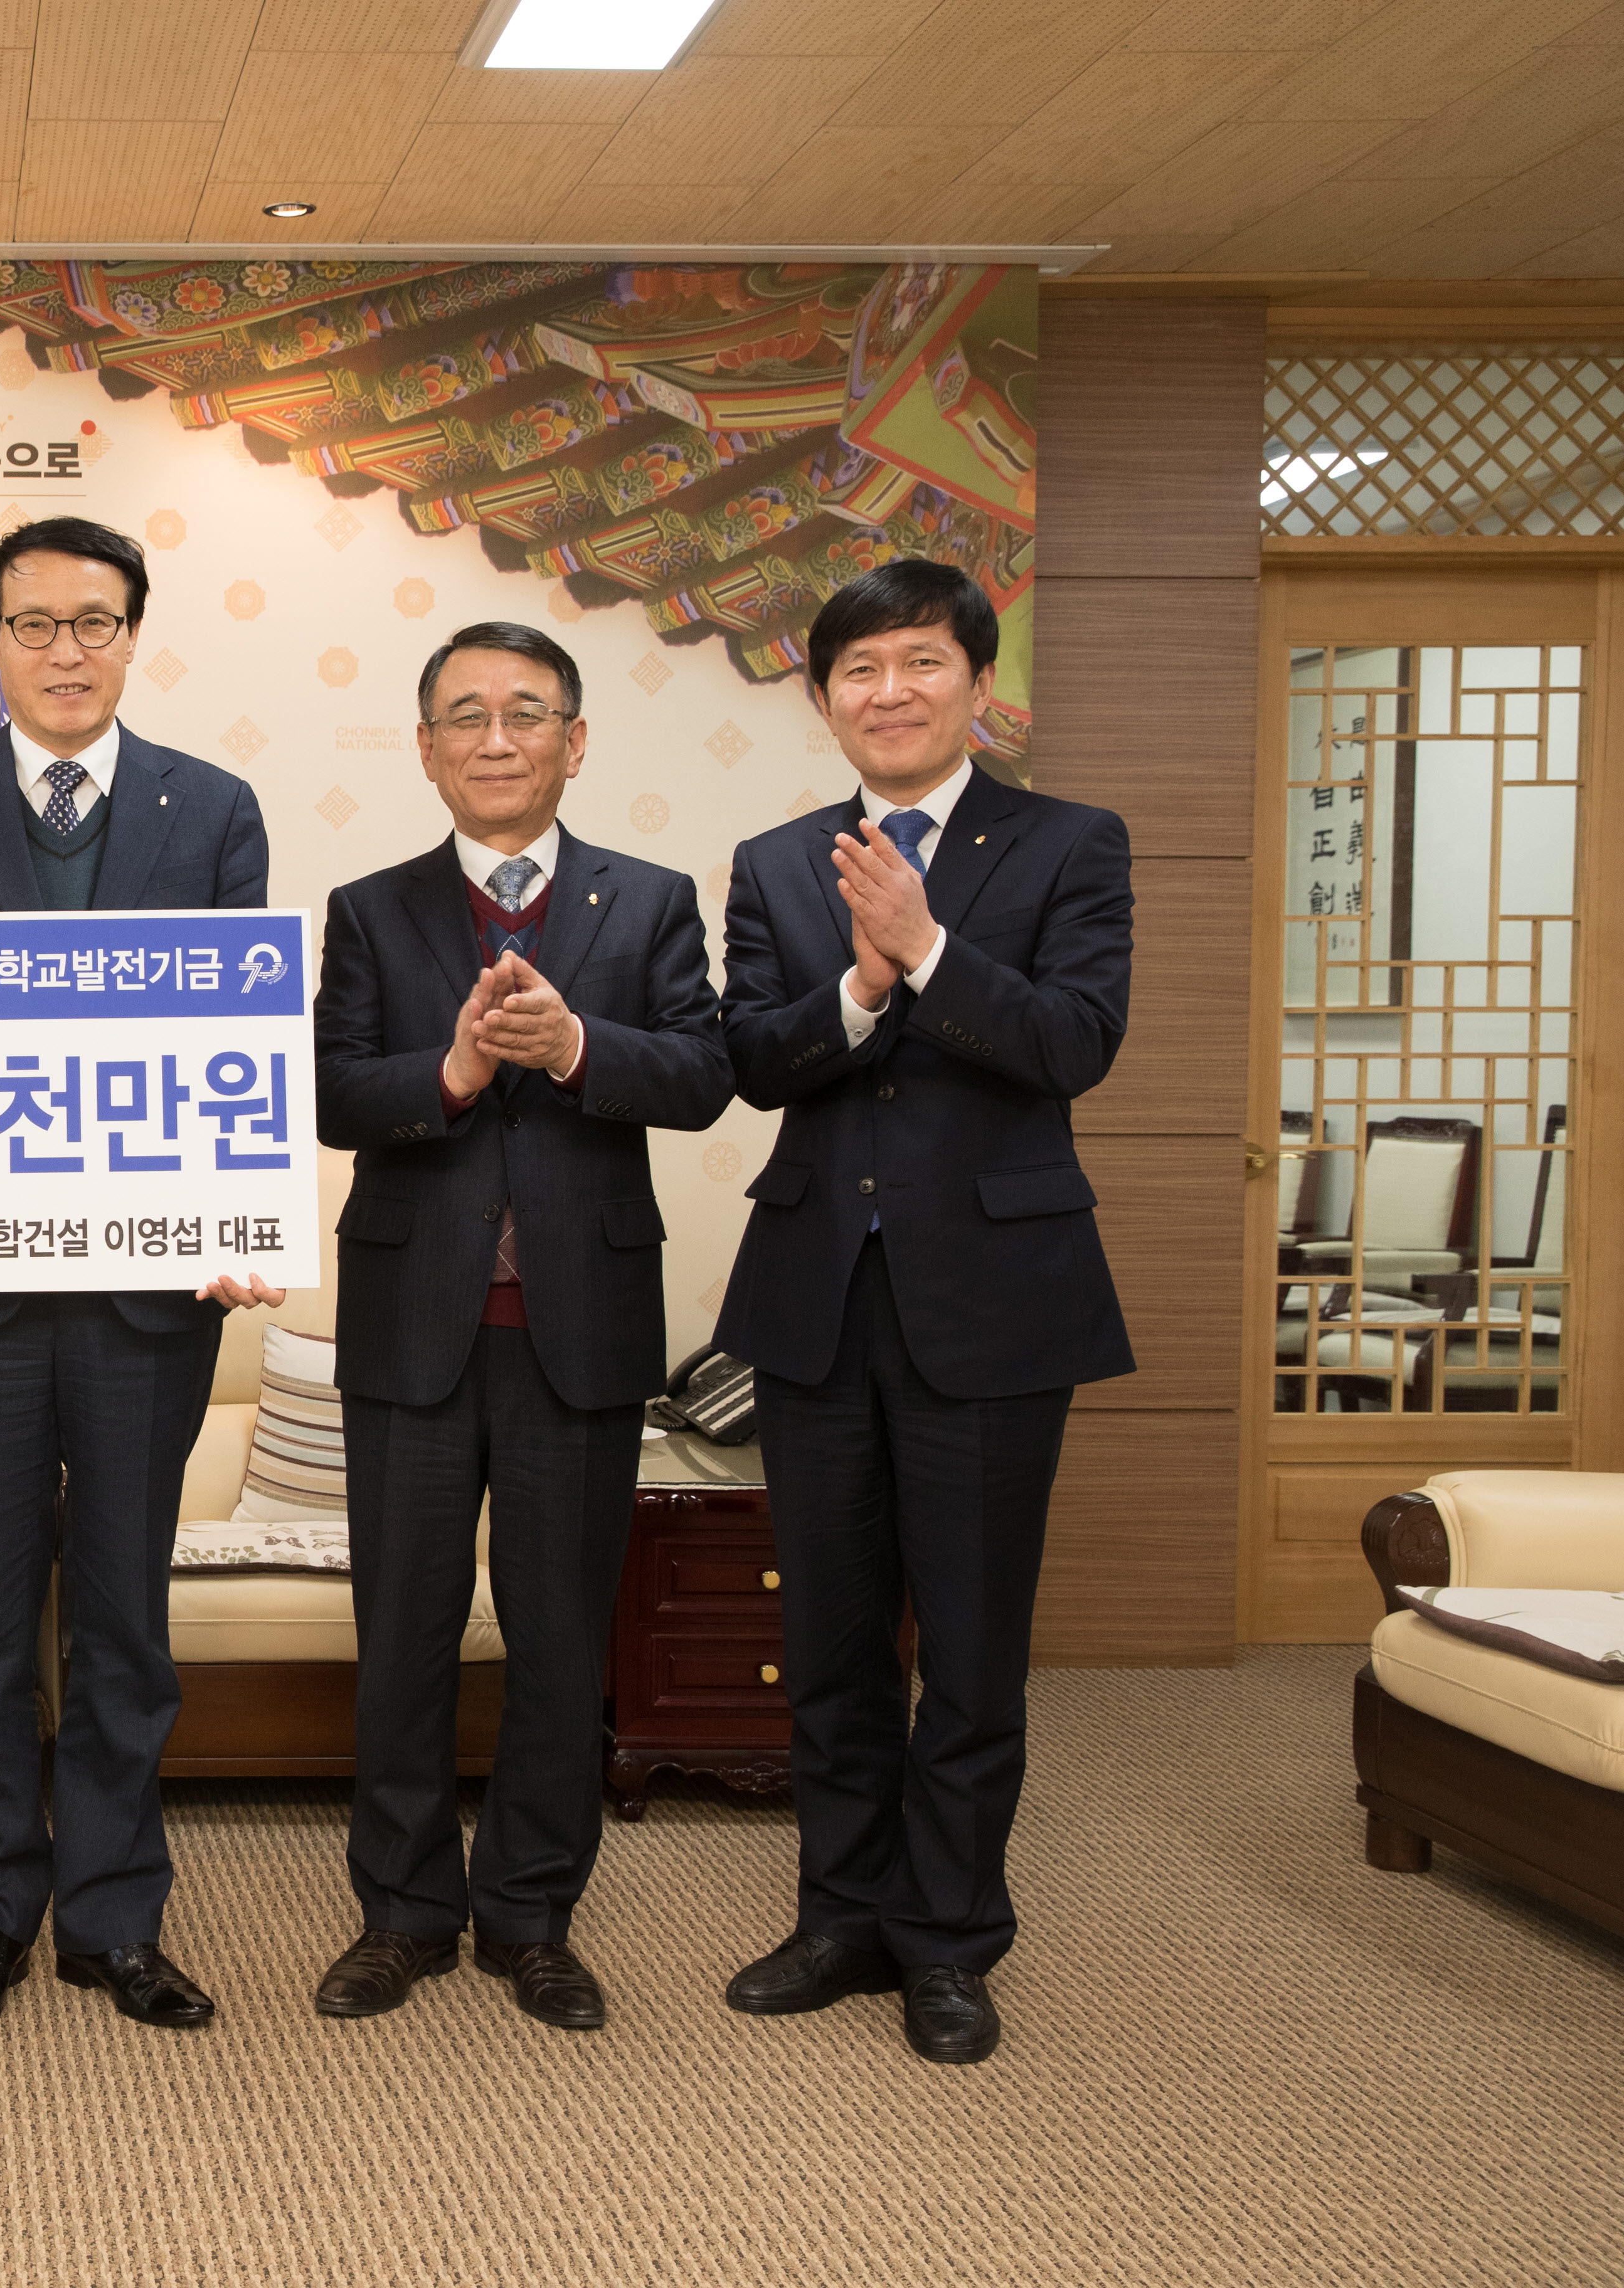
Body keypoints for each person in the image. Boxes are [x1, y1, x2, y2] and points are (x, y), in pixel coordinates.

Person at [0, 515, 279, 2036]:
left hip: (152, 1302)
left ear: (134, 635)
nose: (67, 651)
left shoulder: (212, 809)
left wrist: (235, 1220)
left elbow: (233, 1034)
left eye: (96, 622)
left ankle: (112, 1917)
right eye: (34, 625)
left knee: (124, 1623)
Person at [711, 558, 1134, 2065]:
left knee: (968, 1643)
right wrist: (857, 990)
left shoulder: (1071, 843)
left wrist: (932, 949)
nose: (889, 692)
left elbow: (1076, 1044)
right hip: (818, 1296)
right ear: (825, 698)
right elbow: (752, 1060)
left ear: (976, 682)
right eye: (859, 670)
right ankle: (842, 1916)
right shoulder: (777, 860)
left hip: (998, 1303)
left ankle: (950, 1939)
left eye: (919, 663)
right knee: (829, 1640)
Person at [309, 623, 731, 2030]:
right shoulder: (371, 908)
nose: (497, 738)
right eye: (467, 715)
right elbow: (329, 1092)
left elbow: (704, 1075)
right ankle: (404, 1913)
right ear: (428, 749)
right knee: (404, 1637)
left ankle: (533, 1918)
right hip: (412, 1324)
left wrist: (578, 1049)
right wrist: (447, 1072)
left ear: (576, 740)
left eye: (527, 712)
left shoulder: (650, 900)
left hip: (581, 1326)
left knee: (559, 1641)